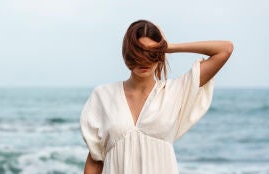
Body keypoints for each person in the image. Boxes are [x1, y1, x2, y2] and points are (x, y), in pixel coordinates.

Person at [79, 19, 234, 174]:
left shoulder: (175, 91)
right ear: (127, 53)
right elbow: (95, 161)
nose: (144, 60)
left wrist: (170, 47)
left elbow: (225, 49)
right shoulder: (104, 96)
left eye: (152, 53)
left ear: (160, 55)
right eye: (138, 51)